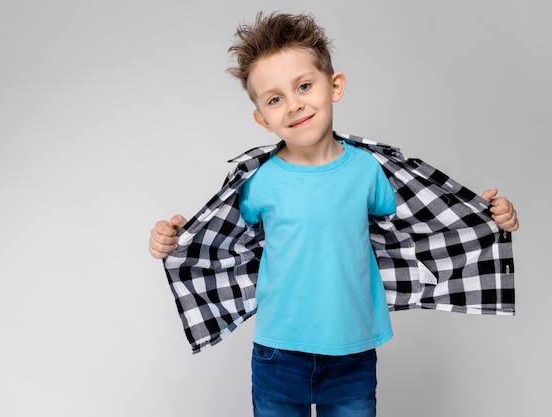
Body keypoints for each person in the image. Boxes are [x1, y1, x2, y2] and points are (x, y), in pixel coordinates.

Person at [149, 12, 519, 417]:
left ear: (335, 86)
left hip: (353, 353)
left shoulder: (367, 171)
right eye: (275, 99)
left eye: (304, 86)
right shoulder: (259, 182)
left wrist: (487, 216)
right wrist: (173, 237)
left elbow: (427, 217)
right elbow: (213, 235)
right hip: (277, 352)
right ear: (263, 119)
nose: (294, 105)